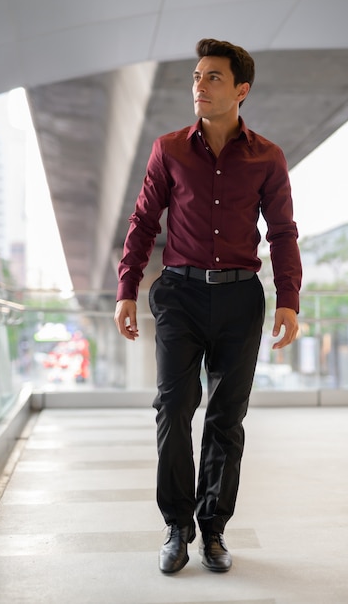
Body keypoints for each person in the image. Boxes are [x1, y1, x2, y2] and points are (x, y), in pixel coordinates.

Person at [114, 38, 302, 574]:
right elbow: (144, 222)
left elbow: (283, 231)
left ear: (241, 90)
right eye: (197, 76)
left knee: (226, 418)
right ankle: (177, 526)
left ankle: (214, 530)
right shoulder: (168, 149)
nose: (200, 85)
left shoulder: (267, 156)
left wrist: (288, 297)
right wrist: (127, 288)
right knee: (174, 406)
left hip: (242, 297)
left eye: (213, 77)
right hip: (179, 293)